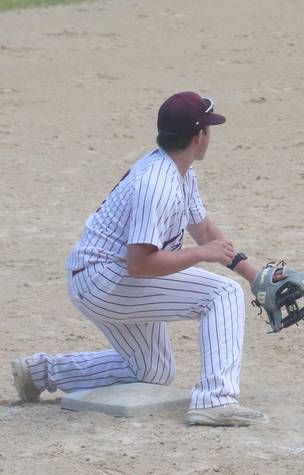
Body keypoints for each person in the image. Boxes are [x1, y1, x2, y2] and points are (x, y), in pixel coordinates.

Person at [10, 91, 274, 426]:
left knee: (152, 370)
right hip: (105, 278)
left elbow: (204, 229)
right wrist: (199, 255)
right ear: (198, 137)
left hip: (103, 275)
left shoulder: (179, 172)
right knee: (222, 294)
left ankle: (39, 372)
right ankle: (216, 400)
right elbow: (140, 263)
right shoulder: (158, 183)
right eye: (209, 129)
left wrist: (254, 275)